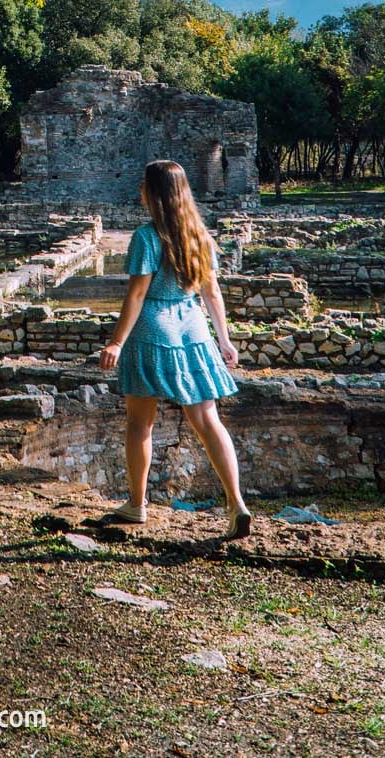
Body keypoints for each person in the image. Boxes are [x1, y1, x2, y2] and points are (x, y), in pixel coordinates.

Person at [98, 159, 252, 539]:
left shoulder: (146, 237)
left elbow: (138, 295)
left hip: (153, 329)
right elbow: (212, 293)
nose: (140, 189)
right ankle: (236, 503)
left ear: (153, 192)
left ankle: (137, 504)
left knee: (140, 422)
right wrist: (224, 340)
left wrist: (116, 341)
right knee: (208, 420)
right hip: (193, 329)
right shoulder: (200, 235)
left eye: (143, 184)